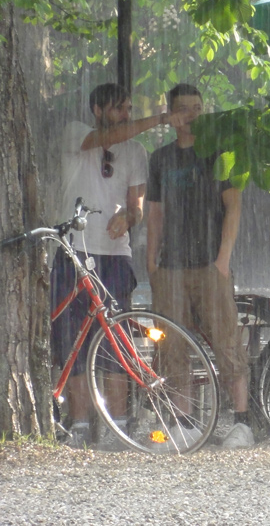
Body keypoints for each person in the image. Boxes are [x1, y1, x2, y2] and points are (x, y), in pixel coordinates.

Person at [51, 82, 181, 448]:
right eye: (119, 108)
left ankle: (119, 425)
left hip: (115, 255)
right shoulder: (76, 132)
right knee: (73, 340)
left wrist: (128, 219)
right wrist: (159, 118)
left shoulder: (137, 151)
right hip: (73, 251)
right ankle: (79, 425)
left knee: (115, 338)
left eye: (128, 108)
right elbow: (108, 136)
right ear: (97, 109)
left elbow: (136, 206)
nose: (126, 114)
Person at [146, 84, 252, 449]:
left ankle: (242, 422)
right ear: (172, 115)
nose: (193, 114)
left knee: (226, 340)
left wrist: (223, 260)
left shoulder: (220, 152)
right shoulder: (160, 159)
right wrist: (151, 261)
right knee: (173, 345)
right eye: (185, 109)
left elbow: (234, 206)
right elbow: (155, 213)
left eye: (198, 107)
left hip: (210, 264)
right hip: (171, 266)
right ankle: (184, 422)